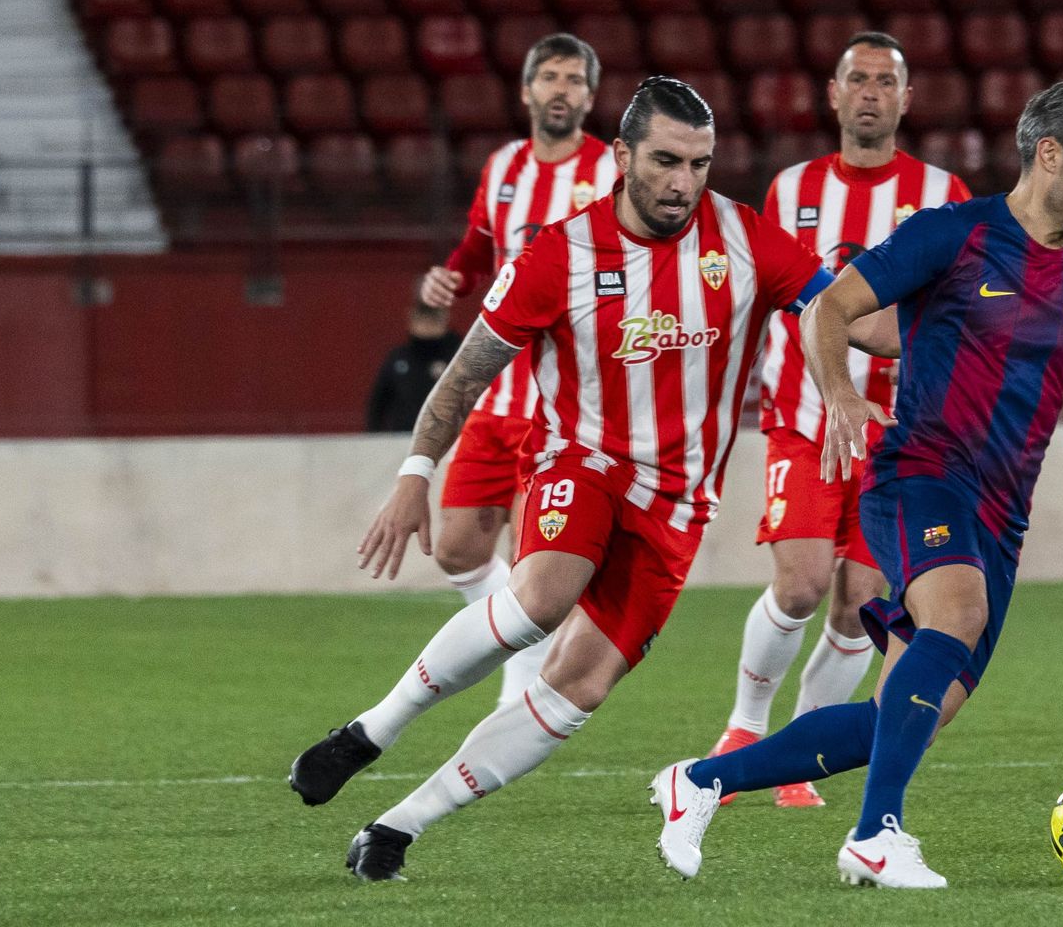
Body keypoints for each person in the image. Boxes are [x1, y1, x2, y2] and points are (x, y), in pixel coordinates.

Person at [288, 77, 895, 882]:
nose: (683, 183)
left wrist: (968, 321)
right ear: (621, 156)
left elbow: (855, 317)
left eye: (700, 164)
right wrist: (414, 474)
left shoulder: (745, 238)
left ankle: (399, 826)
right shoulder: (560, 253)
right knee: (540, 599)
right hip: (584, 463)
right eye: (666, 161)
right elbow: (465, 375)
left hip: (678, 507)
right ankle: (375, 729)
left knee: (579, 687)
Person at [651, 79, 1063, 889]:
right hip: (920, 473)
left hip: (1001, 519)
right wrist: (841, 396)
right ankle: (875, 835)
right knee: (957, 614)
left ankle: (700, 781)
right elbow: (830, 308)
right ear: (1050, 154)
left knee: (906, 715)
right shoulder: (953, 233)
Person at [707, 32, 973, 810]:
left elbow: (957, 308)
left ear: (905, 99)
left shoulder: (942, 192)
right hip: (802, 416)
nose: (870, 93)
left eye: (885, 81)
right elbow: (763, 297)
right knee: (800, 584)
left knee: (862, 602)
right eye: (857, 79)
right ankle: (743, 727)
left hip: (898, 434)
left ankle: (799, 748)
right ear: (833, 94)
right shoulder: (790, 190)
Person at [415, 33, 618, 707]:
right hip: (496, 396)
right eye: (550, 76)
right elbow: (479, 249)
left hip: (563, 408)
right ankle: (526, 656)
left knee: (541, 564)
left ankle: (525, 677)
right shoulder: (504, 167)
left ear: (590, 96)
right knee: (456, 550)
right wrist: (451, 276)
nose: (562, 89)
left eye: (574, 79)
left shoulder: (610, 172)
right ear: (527, 89)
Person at [365, 301, 461, 433]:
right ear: (412, 319)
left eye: (433, 319)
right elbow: (378, 403)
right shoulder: (398, 358)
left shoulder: (457, 356)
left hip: (446, 435)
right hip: (403, 435)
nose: (427, 325)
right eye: (422, 318)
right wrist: (374, 437)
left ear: (444, 319)